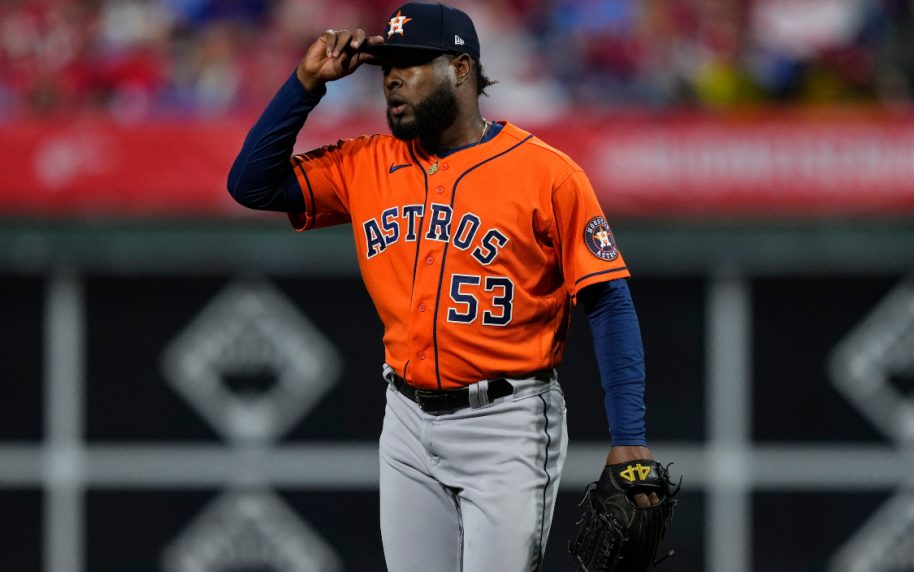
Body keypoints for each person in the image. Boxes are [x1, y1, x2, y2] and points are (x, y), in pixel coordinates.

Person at [227, 3, 656, 570]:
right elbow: (251, 184)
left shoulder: (548, 174)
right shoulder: (368, 163)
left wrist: (630, 437)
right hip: (405, 420)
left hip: (508, 423)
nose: (393, 79)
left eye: (410, 65)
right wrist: (306, 83)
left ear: (460, 68)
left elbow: (608, 301)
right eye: (386, 68)